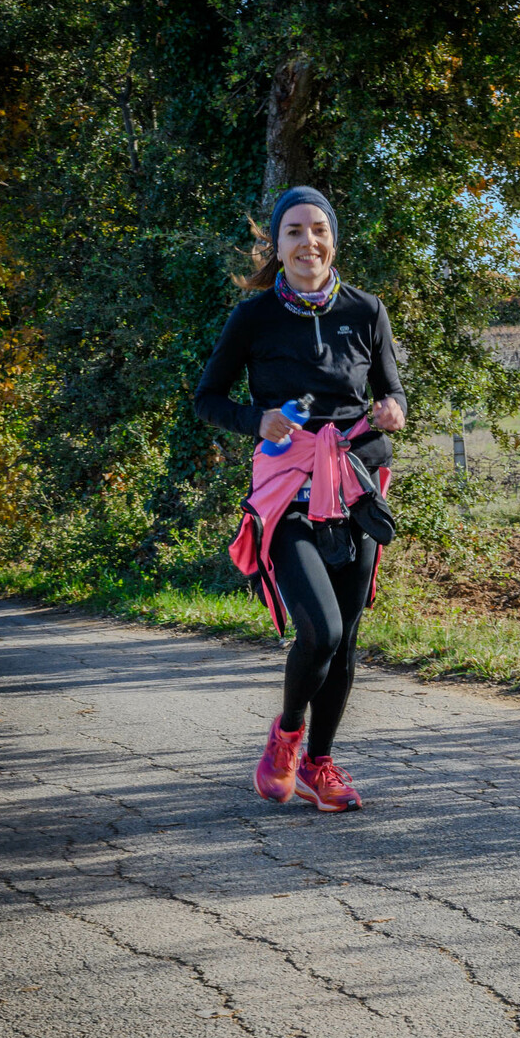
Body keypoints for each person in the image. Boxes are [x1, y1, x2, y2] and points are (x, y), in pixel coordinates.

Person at [195, 186, 406, 812]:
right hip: (286, 492)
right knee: (322, 630)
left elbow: (391, 390)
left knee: (346, 640)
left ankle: (320, 764)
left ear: (332, 240)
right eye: (294, 231)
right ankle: (286, 739)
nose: (307, 241)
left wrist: (393, 409)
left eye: (318, 229)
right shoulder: (253, 318)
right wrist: (255, 421)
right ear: (277, 244)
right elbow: (208, 399)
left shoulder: (367, 311)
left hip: (356, 489)